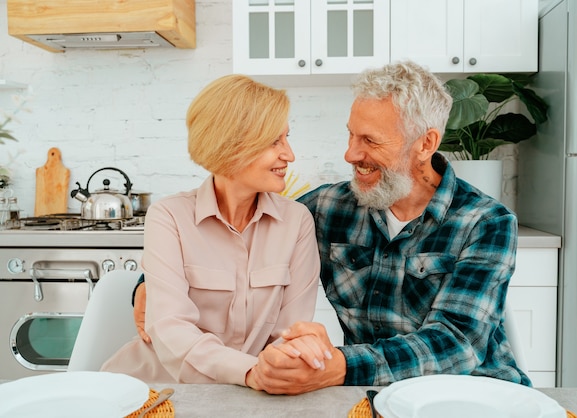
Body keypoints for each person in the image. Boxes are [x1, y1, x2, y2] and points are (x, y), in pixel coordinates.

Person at [132, 61, 531, 394]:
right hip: (371, 396)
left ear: (425, 144)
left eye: (370, 141)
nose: (351, 154)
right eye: (350, 135)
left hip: (474, 390)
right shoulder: (326, 208)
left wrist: (340, 366)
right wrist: (149, 284)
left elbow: (456, 343)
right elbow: (236, 238)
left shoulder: (486, 221)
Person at [101, 74, 326, 387]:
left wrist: (271, 372)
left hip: (254, 393)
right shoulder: (168, 217)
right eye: (275, 141)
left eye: (287, 138)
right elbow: (171, 330)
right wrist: (249, 373)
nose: (289, 154)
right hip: (155, 388)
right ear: (231, 146)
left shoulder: (297, 222)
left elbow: (290, 333)